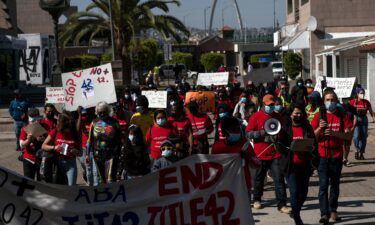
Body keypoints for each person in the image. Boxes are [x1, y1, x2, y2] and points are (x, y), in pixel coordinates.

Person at [311, 89, 353, 224]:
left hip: (337, 155)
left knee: (335, 184)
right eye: (327, 100)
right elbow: (311, 137)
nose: (330, 102)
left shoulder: (343, 116)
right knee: (323, 185)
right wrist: (319, 129)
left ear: (336, 101)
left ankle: (333, 209)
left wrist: (335, 133)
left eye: (332, 99)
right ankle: (324, 213)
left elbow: (348, 136)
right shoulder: (319, 116)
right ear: (324, 101)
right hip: (323, 155)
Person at [246, 94, 291, 214]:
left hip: (274, 153)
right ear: (263, 104)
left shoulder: (278, 116)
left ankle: (282, 204)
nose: (271, 107)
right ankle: (256, 199)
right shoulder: (255, 116)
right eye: (268, 105)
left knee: (279, 179)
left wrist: (277, 136)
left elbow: (281, 132)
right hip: (260, 153)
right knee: (259, 178)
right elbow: (248, 134)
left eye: (272, 105)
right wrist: (262, 133)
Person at [280, 104, 316, 225]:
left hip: (304, 165)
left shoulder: (306, 127)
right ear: (291, 114)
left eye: (300, 113)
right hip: (291, 166)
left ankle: (295, 210)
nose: (298, 115)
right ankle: (297, 218)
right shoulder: (285, 128)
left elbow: (313, 142)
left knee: (303, 192)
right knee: (294, 192)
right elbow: (280, 146)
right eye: (296, 113)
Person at [86, 102, 121, 186]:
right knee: (101, 179)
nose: (102, 114)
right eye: (100, 112)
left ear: (108, 111)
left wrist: (118, 152)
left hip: (112, 153)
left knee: (111, 178)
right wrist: (87, 154)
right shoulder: (94, 122)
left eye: (104, 112)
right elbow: (89, 140)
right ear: (97, 112)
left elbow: (120, 139)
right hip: (98, 153)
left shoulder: (114, 122)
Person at [42, 112, 81, 186]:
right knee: (59, 186)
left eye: (68, 129)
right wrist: (54, 147)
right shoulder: (55, 131)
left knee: (71, 187)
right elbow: (43, 146)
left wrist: (76, 151)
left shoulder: (75, 133)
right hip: (57, 163)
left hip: (71, 164)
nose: (67, 131)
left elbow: (80, 153)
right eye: (65, 129)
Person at [349, 88, 375, 160]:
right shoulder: (352, 102)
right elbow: (348, 111)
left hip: (364, 120)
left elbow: (371, 111)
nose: (362, 94)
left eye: (363, 93)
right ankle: (357, 150)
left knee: (363, 137)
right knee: (356, 136)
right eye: (360, 93)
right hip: (355, 119)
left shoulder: (366, 102)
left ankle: (361, 152)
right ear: (357, 94)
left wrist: (373, 118)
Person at [19, 108, 45, 180]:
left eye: (36, 120)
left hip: (41, 159)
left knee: (42, 181)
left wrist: (43, 140)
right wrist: (29, 140)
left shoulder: (44, 128)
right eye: (32, 121)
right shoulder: (25, 129)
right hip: (29, 159)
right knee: (29, 180)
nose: (34, 123)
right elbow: (21, 145)